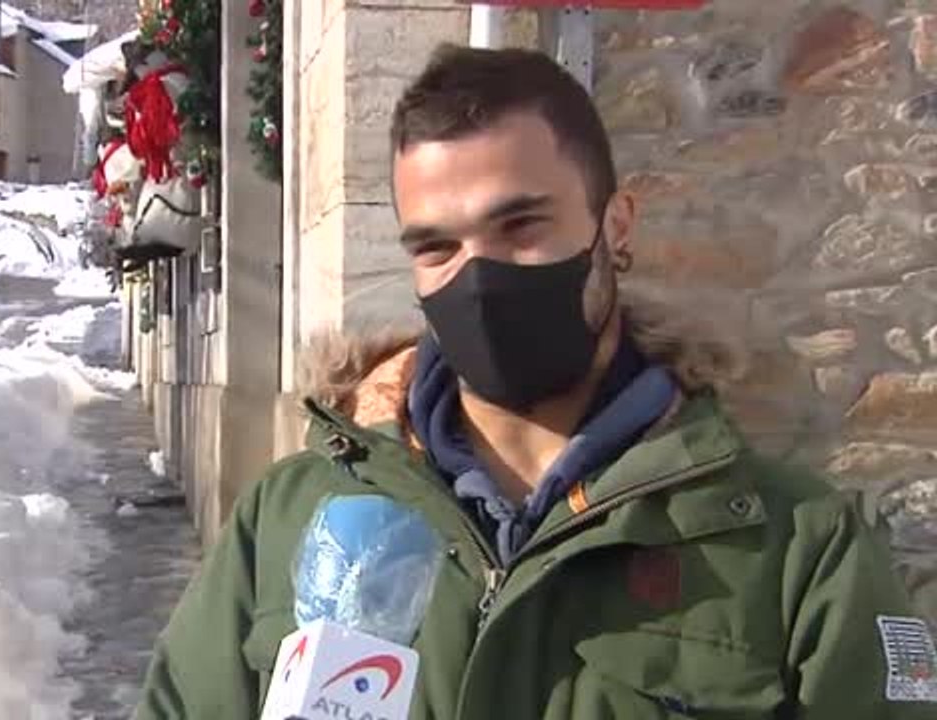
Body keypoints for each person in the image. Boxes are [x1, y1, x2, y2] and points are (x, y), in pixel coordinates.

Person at [133, 46, 937, 719]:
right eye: (437, 247)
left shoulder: (795, 547)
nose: (476, 278)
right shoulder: (295, 516)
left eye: (519, 227)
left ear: (613, 226)